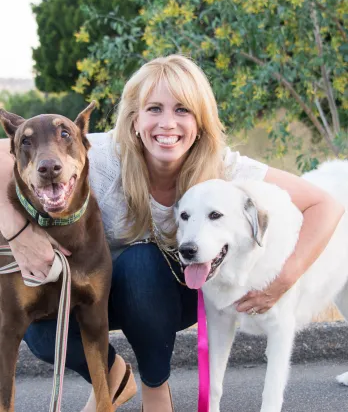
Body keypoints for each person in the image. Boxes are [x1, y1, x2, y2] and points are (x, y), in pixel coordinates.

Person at [0, 54, 344, 412]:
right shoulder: (100, 155)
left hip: (173, 294)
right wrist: (18, 230)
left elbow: (326, 205)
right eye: (154, 109)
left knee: (141, 266)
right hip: (96, 291)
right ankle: (114, 377)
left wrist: (283, 279)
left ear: (200, 121)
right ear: (134, 120)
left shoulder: (223, 167)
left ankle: (155, 388)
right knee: (39, 328)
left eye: (182, 110)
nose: (167, 123)